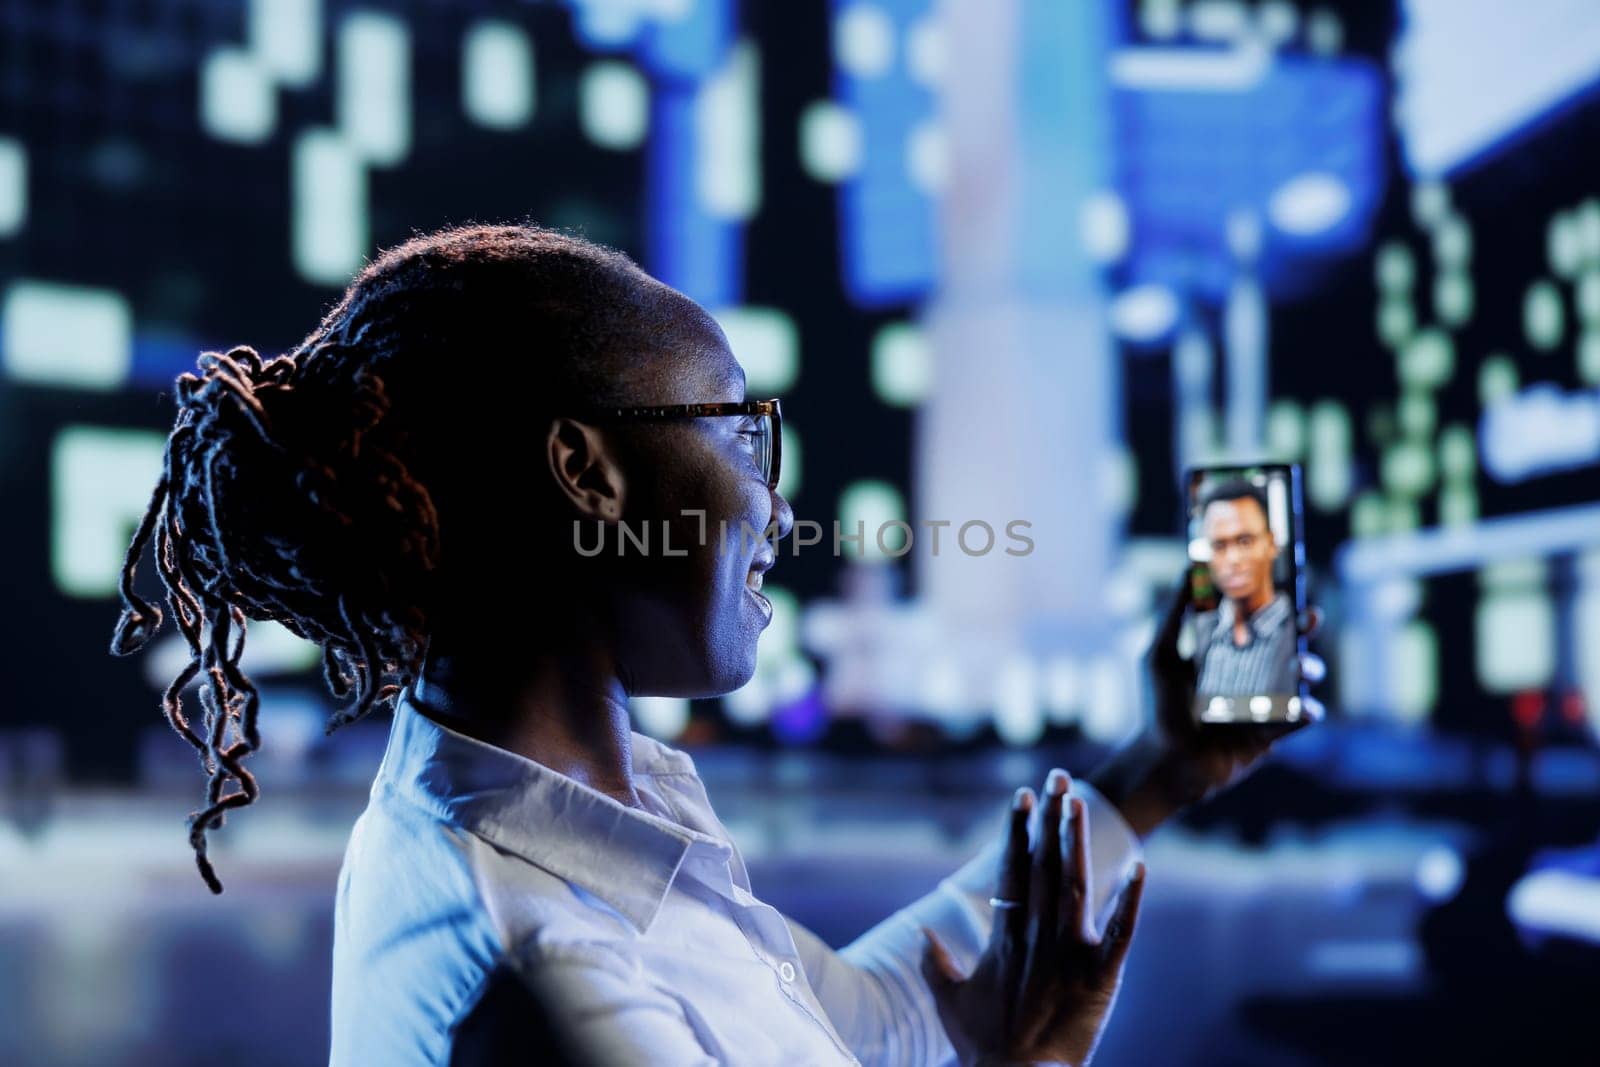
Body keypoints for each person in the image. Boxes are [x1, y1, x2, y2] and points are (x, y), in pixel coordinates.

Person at [109, 224, 1311, 1066]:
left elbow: (854, 1017)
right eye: (744, 437)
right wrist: (1034, 1058)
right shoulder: (542, 958)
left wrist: (1164, 762)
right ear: (587, 470)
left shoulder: (577, 806)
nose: (777, 509)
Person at [1191, 480, 1299, 700]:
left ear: (1271, 543)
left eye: (1245, 541)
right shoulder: (1202, 632)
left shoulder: (1296, 630)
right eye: (1219, 546)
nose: (1233, 560)